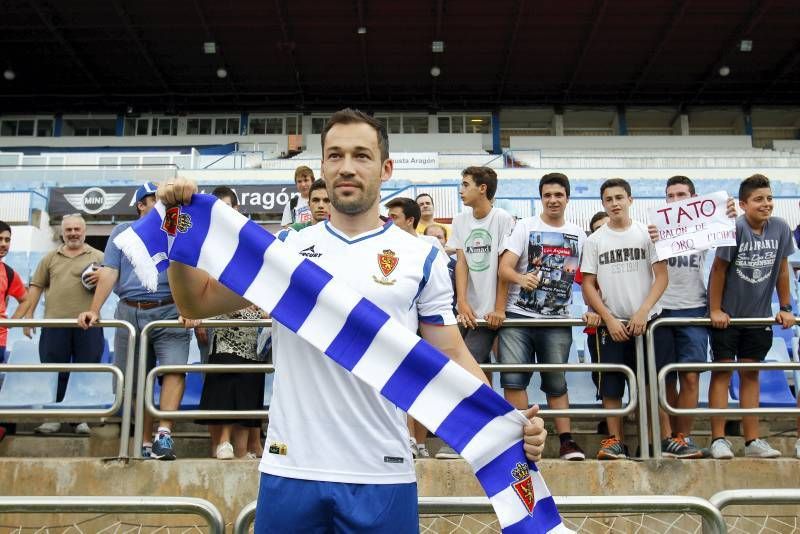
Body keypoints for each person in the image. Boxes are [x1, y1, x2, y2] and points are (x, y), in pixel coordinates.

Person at [159, 108, 547, 532]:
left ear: (385, 168)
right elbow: (195, 302)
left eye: (361, 155)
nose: (346, 167)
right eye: (335, 155)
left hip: (383, 472)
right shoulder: (285, 249)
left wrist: (509, 422)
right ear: (322, 165)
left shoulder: (422, 255)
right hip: (292, 469)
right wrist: (179, 229)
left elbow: (452, 352)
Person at [78, 183, 191, 460]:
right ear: (142, 204)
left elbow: (190, 268)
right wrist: (94, 309)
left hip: (169, 309)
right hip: (129, 312)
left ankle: (164, 435)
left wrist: (190, 307)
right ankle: (143, 440)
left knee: (174, 370)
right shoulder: (121, 232)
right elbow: (109, 272)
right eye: (156, 200)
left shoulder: (176, 229)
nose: (163, 205)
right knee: (134, 379)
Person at [647, 176, 738, 459]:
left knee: (690, 378)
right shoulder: (654, 230)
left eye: (682, 195)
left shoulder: (705, 225)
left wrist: (729, 214)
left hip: (694, 307)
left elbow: (727, 237)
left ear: (694, 199)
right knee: (663, 379)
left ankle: (682, 437)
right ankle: (666, 439)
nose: (676, 200)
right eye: (671, 196)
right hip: (660, 309)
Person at [497, 173, 586, 461]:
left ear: (567, 198)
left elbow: (590, 278)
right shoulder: (525, 227)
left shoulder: (579, 234)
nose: (553, 200)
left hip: (557, 319)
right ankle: (520, 439)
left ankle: (567, 441)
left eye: (558, 195)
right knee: (513, 380)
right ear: (541, 198)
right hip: (519, 317)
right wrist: (521, 279)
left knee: (556, 381)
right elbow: (505, 269)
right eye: (547, 195)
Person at [708, 174, 795, 459]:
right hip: (729, 318)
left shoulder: (781, 228)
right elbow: (718, 270)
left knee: (751, 374)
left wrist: (785, 307)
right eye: (759, 199)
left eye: (769, 198)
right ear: (744, 204)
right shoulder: (734, 229)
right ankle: (718, 439)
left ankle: (752, 440)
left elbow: (783, 270)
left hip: (758, 318)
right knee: (721, 372)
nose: (766, 204)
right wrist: (716, 310)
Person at [580, 178, 668, 460]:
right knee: (612, 386)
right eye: (609, 199)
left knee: (649, 384)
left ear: (631, 200)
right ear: (603, 203)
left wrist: (643, 311)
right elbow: (588, 285)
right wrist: (608, 318)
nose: (615, 203)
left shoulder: (647, 234)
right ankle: (615, 441)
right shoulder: (595, 241)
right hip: (612, 324)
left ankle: (653, 441)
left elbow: (661, 277)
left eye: (620, 197)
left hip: (647, 321)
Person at [446, 166, 515, 460]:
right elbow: (461, 263)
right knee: (463, 370)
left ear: (482, 188)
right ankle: (478, 432)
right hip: (465, 311)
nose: (461, 190)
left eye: (465, 184)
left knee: (470, 369)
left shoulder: (502, 219)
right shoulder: (460, 220)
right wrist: (462, 301)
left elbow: (504, 266)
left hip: (489, 313)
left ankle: (473, 434)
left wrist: (498, 308)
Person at [21, 214, 104, 435]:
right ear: (62, 232)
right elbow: (36, 287)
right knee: (53, 371)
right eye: (69, 230)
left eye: (77, 229)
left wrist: (103, 276)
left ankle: (80, 419)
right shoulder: (49, 258)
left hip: (89, 325)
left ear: (84, 231)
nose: (73, 233)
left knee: (85, 372)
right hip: (55, 324)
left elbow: (114, 283)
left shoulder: (99, 257)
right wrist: (28, 316)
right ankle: (53, 417)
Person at [0, 220, 28, 441]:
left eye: (7, 240)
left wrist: (10, 322)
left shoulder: (8, 273)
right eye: (0, 239)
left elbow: (25, 299)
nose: (4, 244)